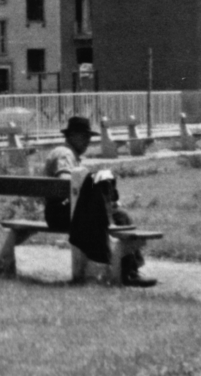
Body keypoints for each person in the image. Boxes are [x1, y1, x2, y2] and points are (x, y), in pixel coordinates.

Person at [43, 116, 155, 288]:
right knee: (119, 216)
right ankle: (130, 272)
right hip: (62, 213)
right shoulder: (65, 154)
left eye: (89, 137)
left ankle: (128, 270)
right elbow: (66, 181)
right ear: (72, 135)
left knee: (117, 215)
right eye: (84, 137)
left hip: (64, 211)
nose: (88, 141)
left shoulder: (66, 153)